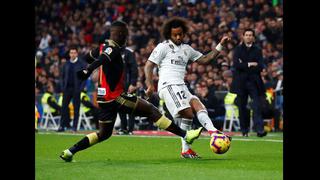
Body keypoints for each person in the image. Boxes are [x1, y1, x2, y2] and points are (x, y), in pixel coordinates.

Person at [60, 20, 203, 162]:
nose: (127, 38)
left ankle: (70, 151)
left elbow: (88, 57)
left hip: (103, 99)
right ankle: (186, 135)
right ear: (120, 34)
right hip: (115, 97)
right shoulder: (113, 48)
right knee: (151, 110)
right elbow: (103, 58)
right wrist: (88, 70)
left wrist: (92, 65)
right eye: (126, 35)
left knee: (104, 134)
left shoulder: (103, 46)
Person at [144, 17, 231, 159]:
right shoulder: (163, 47)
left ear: (184, 34)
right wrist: (149, 84)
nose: (178, 37)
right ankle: (192, 144)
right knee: (188, 113)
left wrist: (220, 45)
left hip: (181, 86)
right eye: (175, 35)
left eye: (180, 34)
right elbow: (148, 65)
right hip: (168, 85)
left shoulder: (186, 49)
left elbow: (205, 59)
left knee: (199, 106)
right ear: (169, 34)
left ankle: (211, 134)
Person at [230, 28, 267, 137]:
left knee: (256, 106)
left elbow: (260, 66)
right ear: (243, 36)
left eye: (251, 35)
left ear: (253, 37)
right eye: (247, 35)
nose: (249, 36)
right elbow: (236, 65)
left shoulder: (258, 50)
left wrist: (244, 64)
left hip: (254, 82)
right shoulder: (238, 50)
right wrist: (250, 64)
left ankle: (259, 130)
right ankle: (244, 130)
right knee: (242, 107)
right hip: (241, 83)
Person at [57, 46, 87, 132]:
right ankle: (62, 126)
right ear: (69, 54)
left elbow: (84, 78)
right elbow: (62, 77)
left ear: (77, 54)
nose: (72, 54)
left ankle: (74, 127)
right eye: (71, 53)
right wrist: (63, 88)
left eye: (74, 53)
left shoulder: (82, 64)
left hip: (76, 89)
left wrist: (80, 89)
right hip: (67, 89)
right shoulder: (65, 64)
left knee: (76, 108)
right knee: (64, 108)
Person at [117, 46, 138, 135]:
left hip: (128, 84)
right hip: (118, 85)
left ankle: (130, 129)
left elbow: (134, 68)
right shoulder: (114, 52)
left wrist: (133, 84)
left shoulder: (129, 52)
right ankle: (123, 128)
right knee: (120, 106)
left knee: (131, 107)